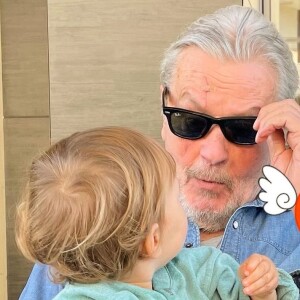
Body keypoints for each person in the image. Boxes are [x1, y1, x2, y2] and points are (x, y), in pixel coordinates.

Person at [18, 4, 300, 299]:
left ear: (279, 129)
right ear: (163, 103)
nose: (212, 153)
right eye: (190, 121)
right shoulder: (90, 205)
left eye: (244, 128)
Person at [15, 126, 298, 299]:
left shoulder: (198, 268)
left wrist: (262, 290)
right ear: (152, 240)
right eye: (175, 198)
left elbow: (240, 291)